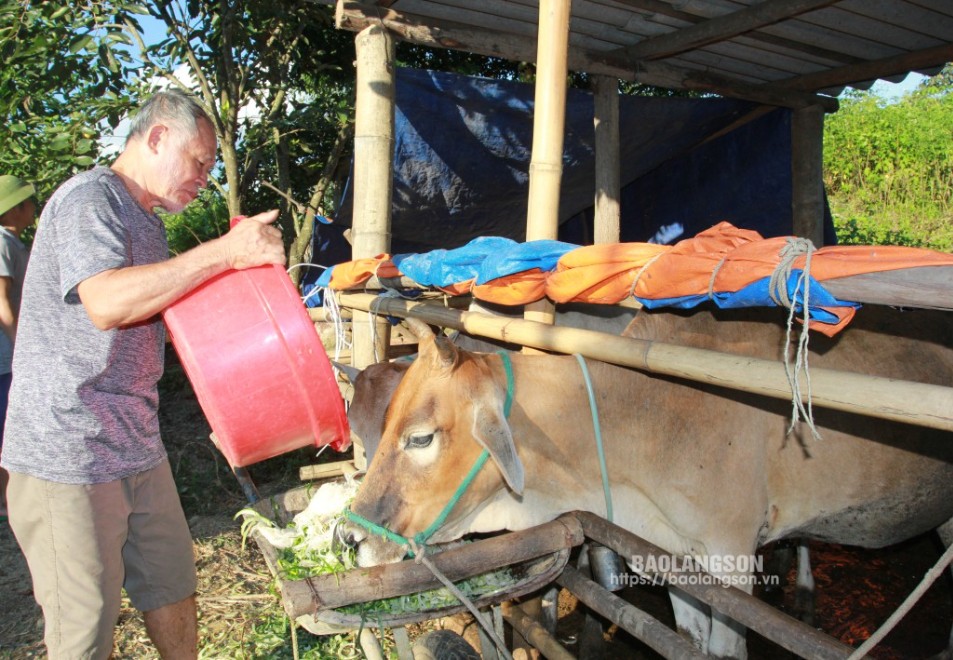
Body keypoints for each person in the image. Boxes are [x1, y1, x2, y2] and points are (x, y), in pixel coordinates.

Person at [1, 89, 285, 659]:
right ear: (156, 137)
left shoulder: (148, 222)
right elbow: (106, 302)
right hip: (69, 450)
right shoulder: (91, 198)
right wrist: (226, 252)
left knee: (172, 585)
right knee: (84, 629)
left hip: (136, 440)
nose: (205, 177)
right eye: (199, 162)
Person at [0, 175, 36, 521]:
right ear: (16, 208)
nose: (33, 210)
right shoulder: (1, 243)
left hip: (10, 356)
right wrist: (21, 350)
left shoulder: (14, 243)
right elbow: (3, 304)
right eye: (28, 203)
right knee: (8, 429)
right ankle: (7, 502)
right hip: (6, 358)